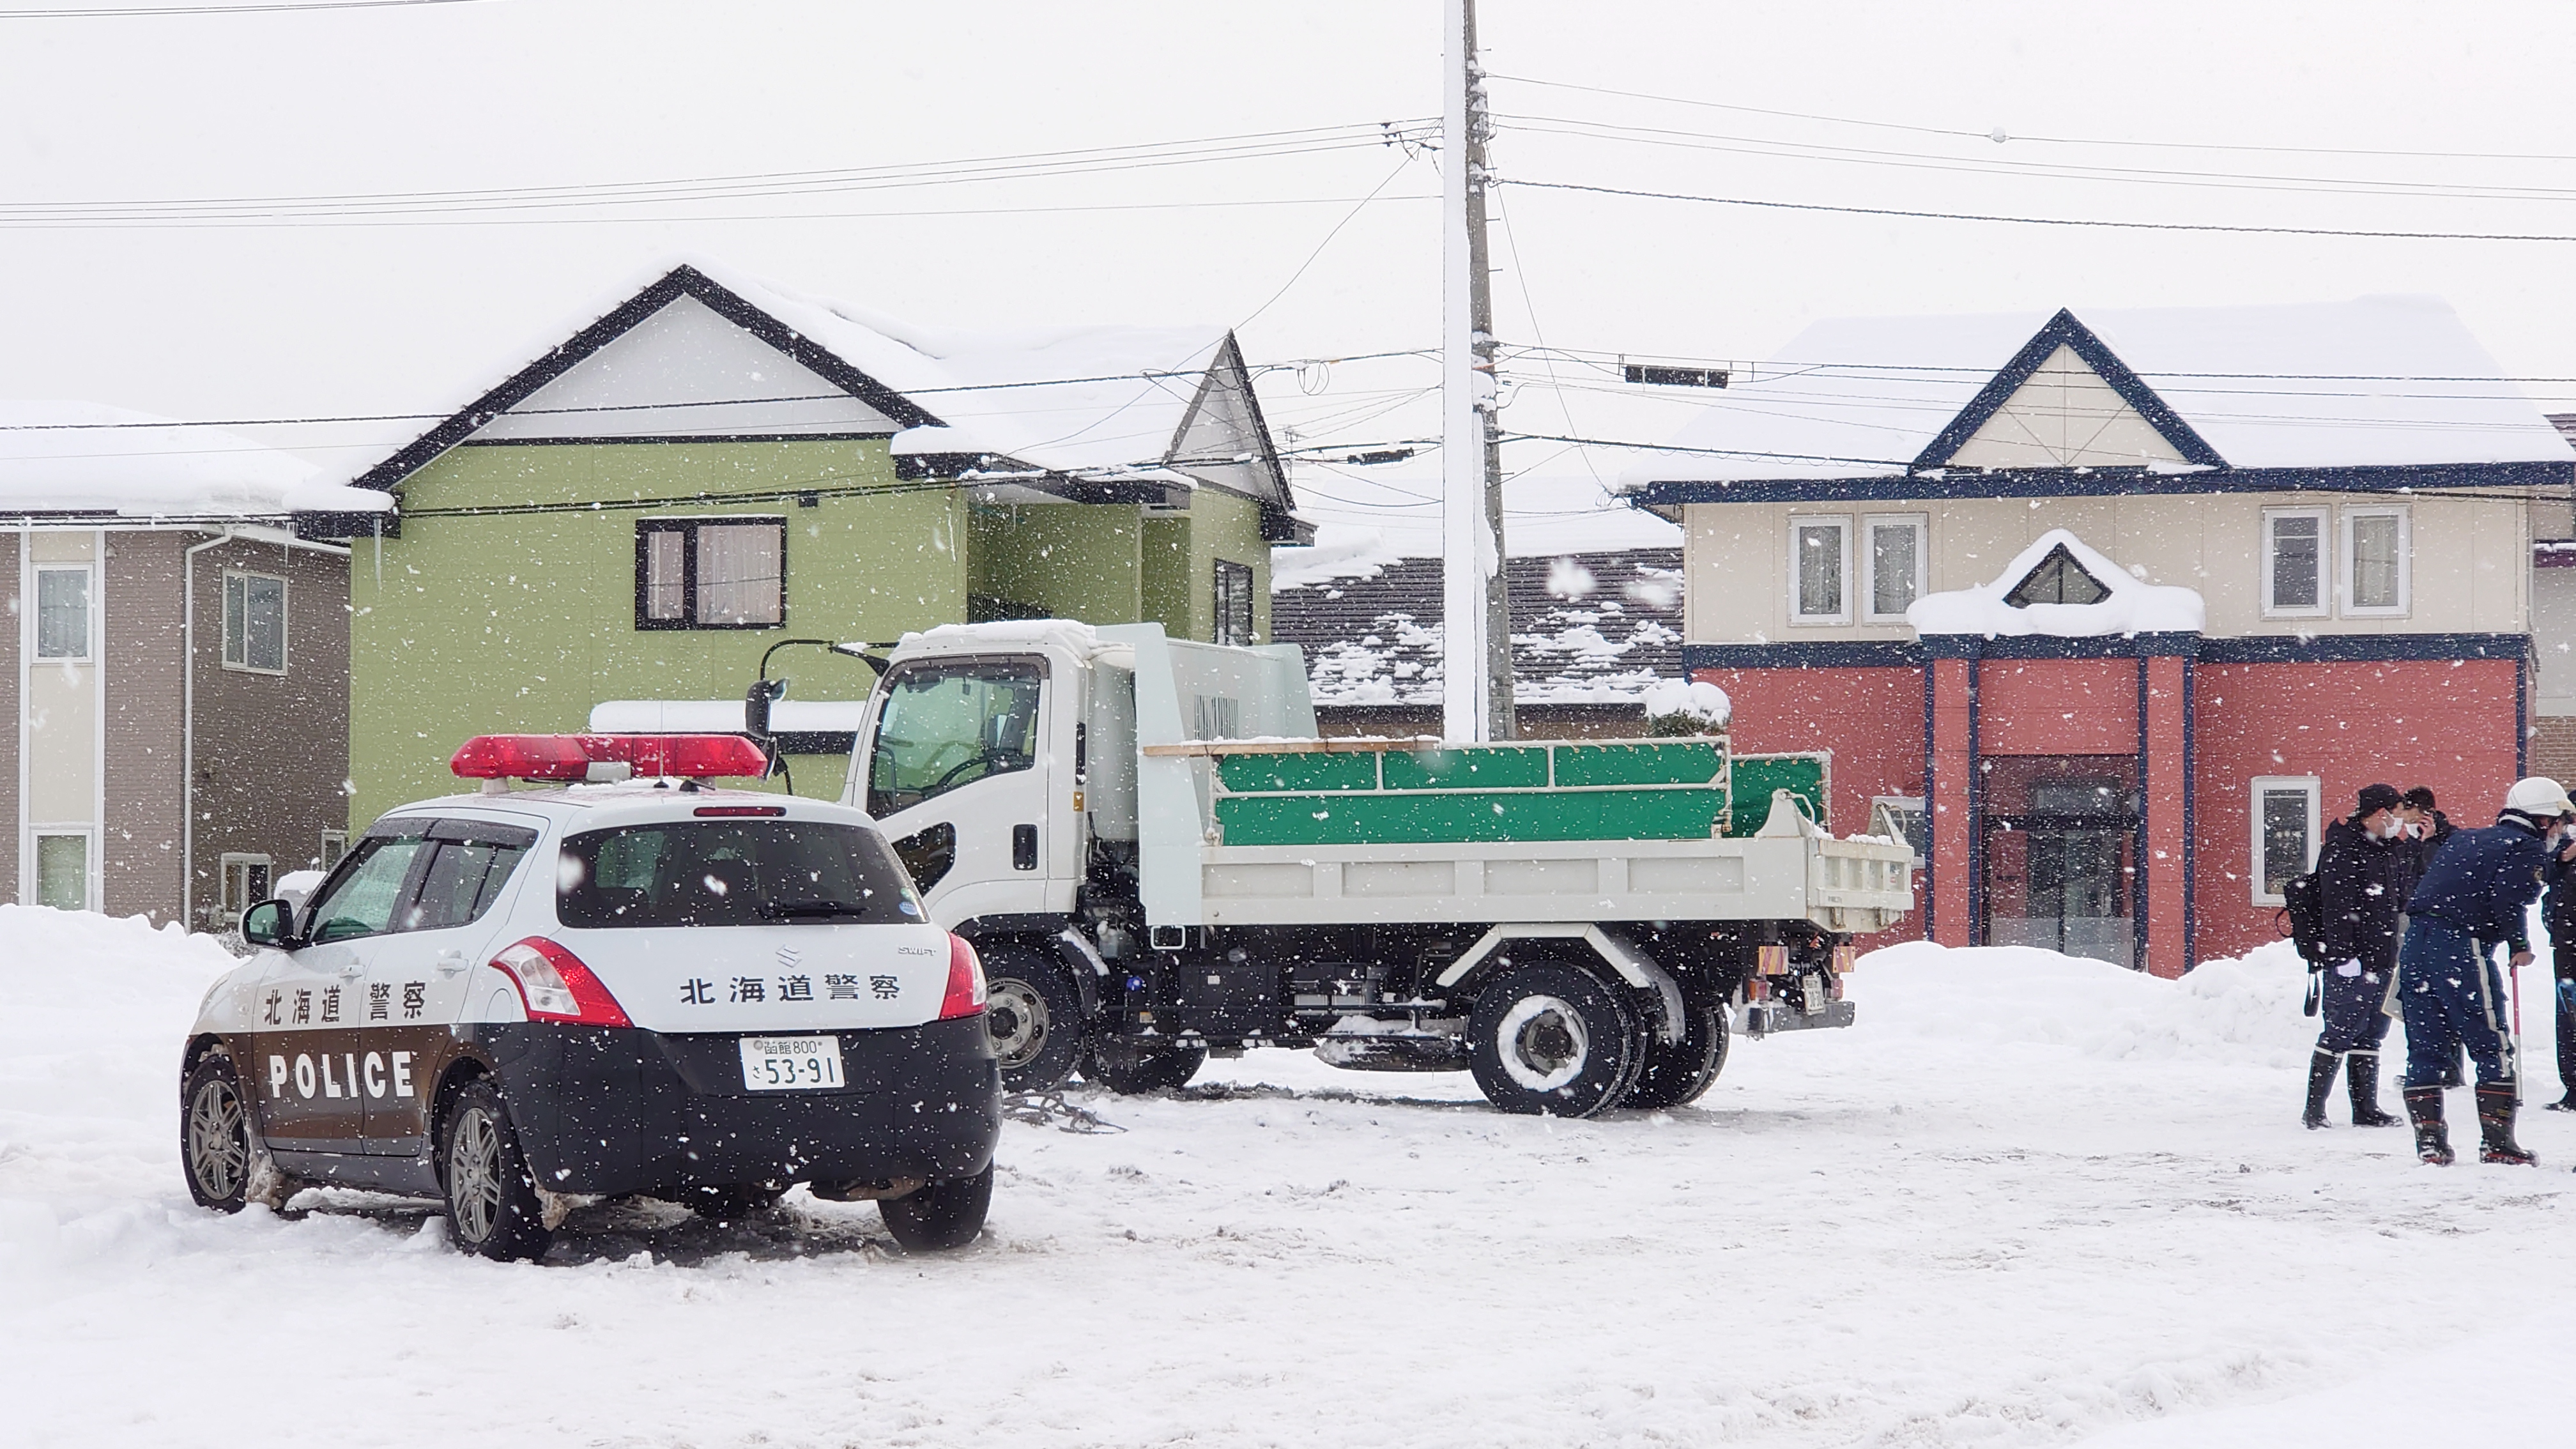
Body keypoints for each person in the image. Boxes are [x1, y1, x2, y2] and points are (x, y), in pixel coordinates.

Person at [2395, 776, 2576, 1165]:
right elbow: (2507, 897)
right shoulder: (2525, 847)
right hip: (2460, 947)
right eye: (2558, 821)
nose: (2560, 830)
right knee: (2491, 1042)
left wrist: (2554, 863)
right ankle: (2497, 1143)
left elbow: (2473, 876)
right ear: (2543, 820)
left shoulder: (2467, 839)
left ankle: (2431, 1145)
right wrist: (2520, 945)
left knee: (2425, 1047)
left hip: (2415, 946)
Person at [2304, 784, 2408, 1128]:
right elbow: (2337, 908)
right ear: (2380, 814)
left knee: (2371, 1035)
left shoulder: (2386, 849)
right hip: (2354, 961)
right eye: (2395, 814)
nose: (2398, 822)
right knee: (2340, 1032)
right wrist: (2344, 956)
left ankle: (2366, 1108)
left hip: (2382, 958)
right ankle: (2315, 1109)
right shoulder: (2344, 849)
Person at [2391, 786, 2455, 910]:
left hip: (2442, 913)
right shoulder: (2404, 847)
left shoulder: (2454, 839)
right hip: (2411, 913)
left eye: (2409, 808)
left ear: (2429, 813)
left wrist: (2429, 843)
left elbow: (2440, 875)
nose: (2403, 814)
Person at [2546, 846, 2576, 1112]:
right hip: (2567, 947)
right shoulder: (2565, 850)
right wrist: (2562, 858)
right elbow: (2542, 874)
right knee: (2569, 1019)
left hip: (2568, 943)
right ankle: (2573, 1087)